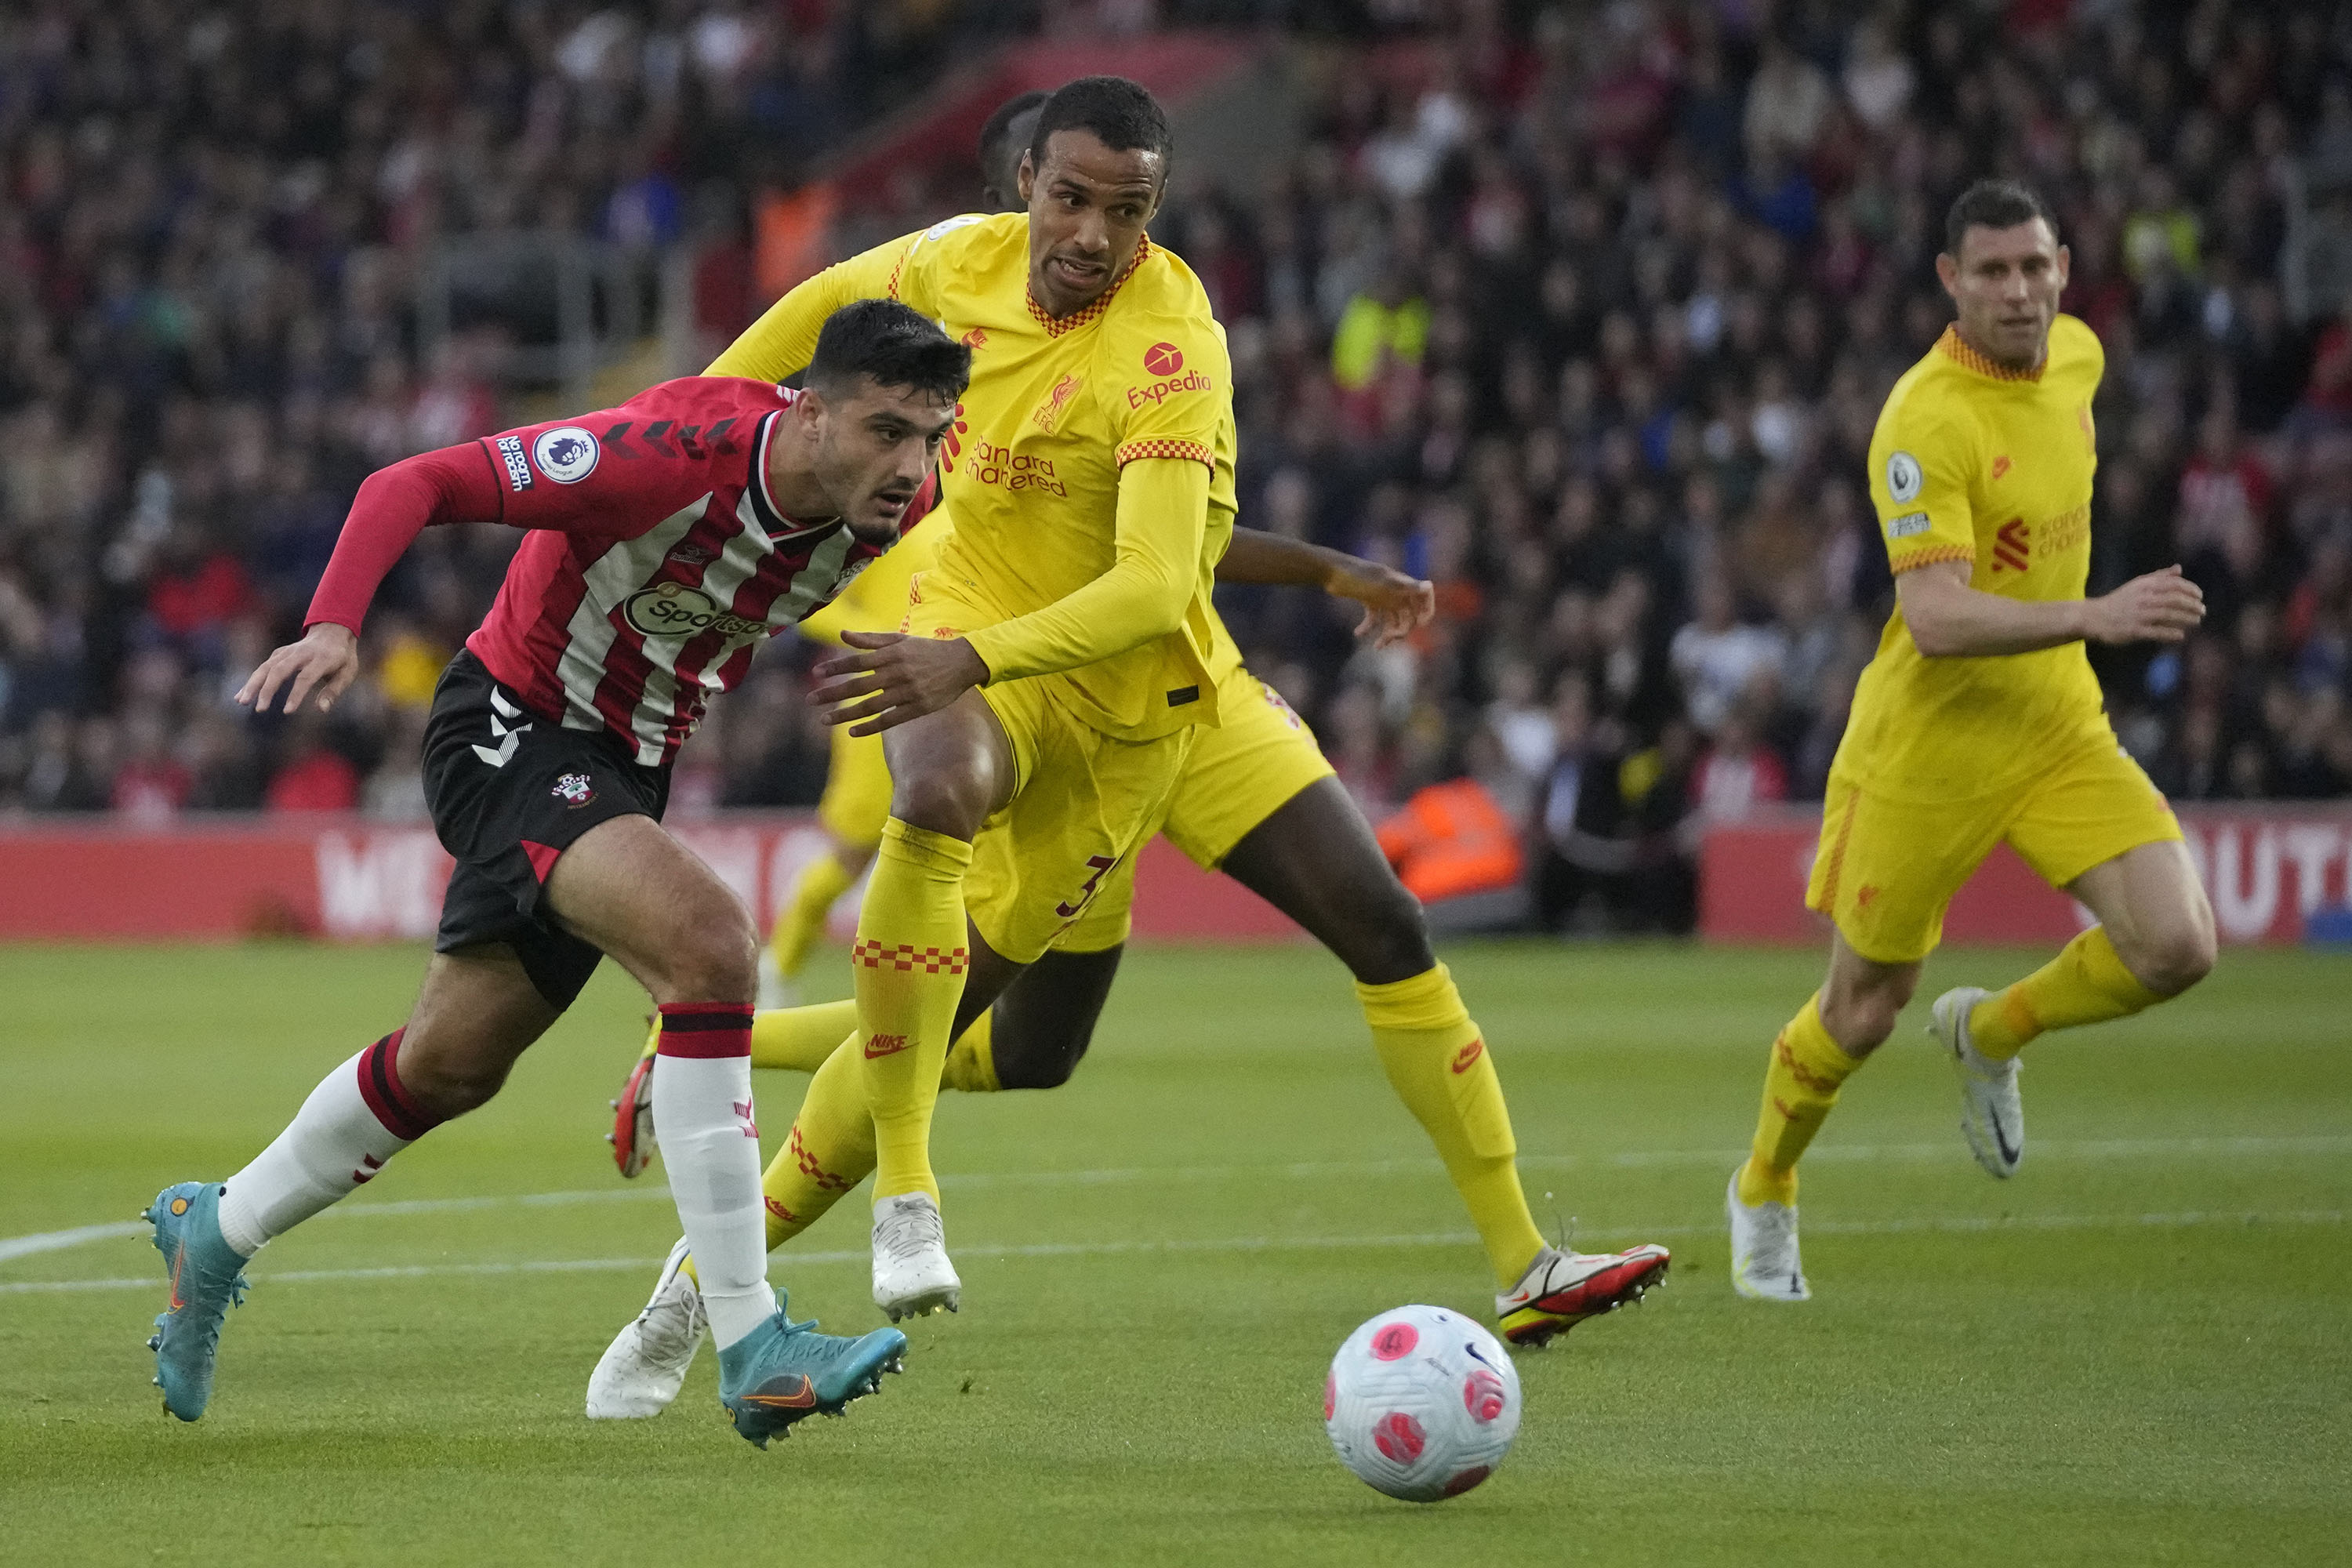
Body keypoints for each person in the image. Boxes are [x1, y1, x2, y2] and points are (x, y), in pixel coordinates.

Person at [584, 84, 1668, 1425]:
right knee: (932, 847)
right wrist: (656, 444)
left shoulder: (1173, 345)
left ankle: (1528, 1264)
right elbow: (784, 333)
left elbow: (1164, 579)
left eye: (1129, 209)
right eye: (1073, 199)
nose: (1096, 233)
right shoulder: (947, 267)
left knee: (1325, 942)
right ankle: (704, 1286)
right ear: (1029, 178)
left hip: (1165, 703)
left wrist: (1318, 570)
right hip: (988, 664)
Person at [142, 300, 964, 1446]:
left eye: (930, 435)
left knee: (449, 1067)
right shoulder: (664, 456)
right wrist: (336, 627)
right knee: (713, 948)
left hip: (628, 766)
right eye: (886, 431)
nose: (910, 465)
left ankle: (215, 1229)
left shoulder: (913, 489)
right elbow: (410, 484)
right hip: (510, 728)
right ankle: (752, 1342)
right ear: (811, 410)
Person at [1725, 180, 2216, 1302]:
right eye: (1992, 271)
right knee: (1860, 1011)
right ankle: (1765, 1189)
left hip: (2055, 727)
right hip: (1928, 754)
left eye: (2035, 267)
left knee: (2179, 948)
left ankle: (1992, 1031)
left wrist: (2075, 639)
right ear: (1950, 281)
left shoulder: (2080, 360)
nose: (2019, 291)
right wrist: (2092, 615)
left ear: (2064, 268)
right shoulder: (1923, 420)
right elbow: (1938, 620)